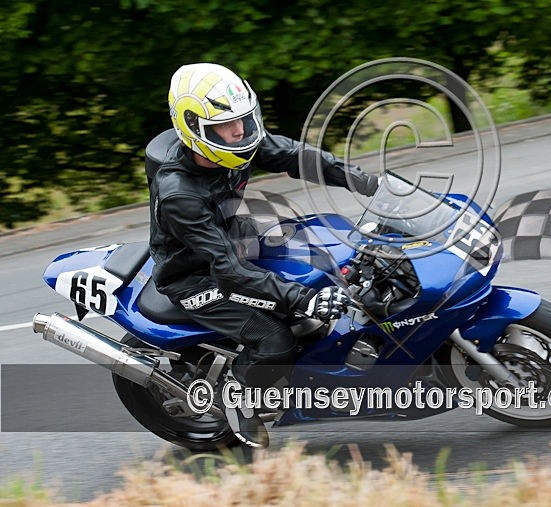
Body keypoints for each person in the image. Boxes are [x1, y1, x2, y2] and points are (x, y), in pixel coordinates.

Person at [146, 62, 377, 446]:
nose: (240, 131)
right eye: (226, 126)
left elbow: (296, 155)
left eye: (243, 119)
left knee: (327, 256)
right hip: (196, 276)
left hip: (233, 240)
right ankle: (239, 400)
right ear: (194, 129)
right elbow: (230, 272)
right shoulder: (180, 194)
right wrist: (307, 299)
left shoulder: (235, 145)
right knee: (276, 341)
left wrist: (370, 184)